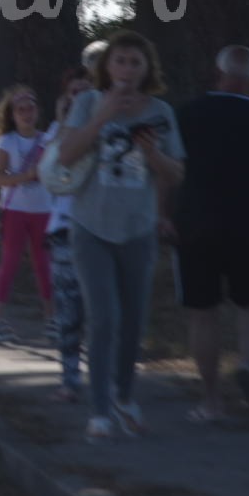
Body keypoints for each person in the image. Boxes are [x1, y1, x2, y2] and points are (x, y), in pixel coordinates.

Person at [53, 30, 186, 443]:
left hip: (138, 228)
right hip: (91, 226)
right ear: (106, 67)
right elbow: (66, 155)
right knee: (104, 317)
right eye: (120, 61)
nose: (127, 69)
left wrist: (153, 154)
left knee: (132, 321)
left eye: (135, 62)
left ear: (147, 70)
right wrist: (101, 116)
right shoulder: (89, 102)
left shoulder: (161, 111)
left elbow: (177, 173)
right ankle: (98, 411)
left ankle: (125, 397)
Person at [173, 45, 249, 422]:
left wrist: (164, 214)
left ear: (217, 73)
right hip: (246, 224)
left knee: (202, 314)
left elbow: (167, 169)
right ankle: (248, 362)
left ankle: (211, 401)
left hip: (194, 225)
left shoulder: (187, 115)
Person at [0, 85, 55, 341]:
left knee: (44, 264)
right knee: (9, 263)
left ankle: (51, 318)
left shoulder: (48, 139)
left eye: (31, 108)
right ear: (11, 114)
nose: (26, 113)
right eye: (20, 109)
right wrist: (25, 176)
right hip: (14, 211)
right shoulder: (7, 142)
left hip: (43, 209)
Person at [46, 60, 95, 402]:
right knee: (69, 312)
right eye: (73, 93)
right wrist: (64, 124)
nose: (79, 98)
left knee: (103, 312)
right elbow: (52, 180)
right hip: (64, 229)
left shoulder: (109, 129)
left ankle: (106, 378)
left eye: (85, 92)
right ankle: (69, 377)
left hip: (101, 230)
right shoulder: (55, 134)